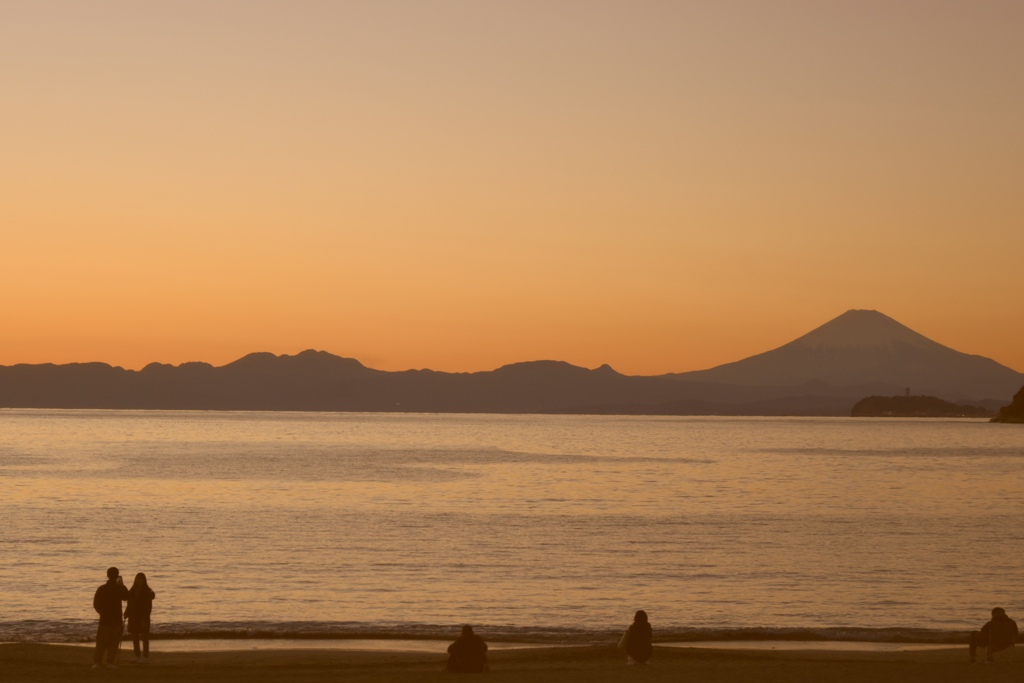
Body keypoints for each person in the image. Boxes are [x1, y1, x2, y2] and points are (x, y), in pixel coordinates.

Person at [92, 567, 129, 669]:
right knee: (113, 641)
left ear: (107, 575)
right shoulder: (116, 588)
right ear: (117, 575)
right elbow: (127, 597)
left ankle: (98, 662)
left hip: (107, 619)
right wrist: (122, 586)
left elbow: (96, 604)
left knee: (102, 642)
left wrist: (102, 613)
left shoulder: (102, 588)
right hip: (114, 619)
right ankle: (109, 661)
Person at [125, 572, 156, 663]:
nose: (138, 581)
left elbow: (148, 607)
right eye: (137, 579)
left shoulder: (147, 591)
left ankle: (145, 656)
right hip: (133, 616)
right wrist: (126, 612)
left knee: (144, 637)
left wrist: (144, 619)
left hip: (143, 617)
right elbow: (129, 604)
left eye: (140, 579)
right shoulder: (132, 590)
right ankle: (137, 655)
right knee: (135, 637)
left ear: (144, 580)